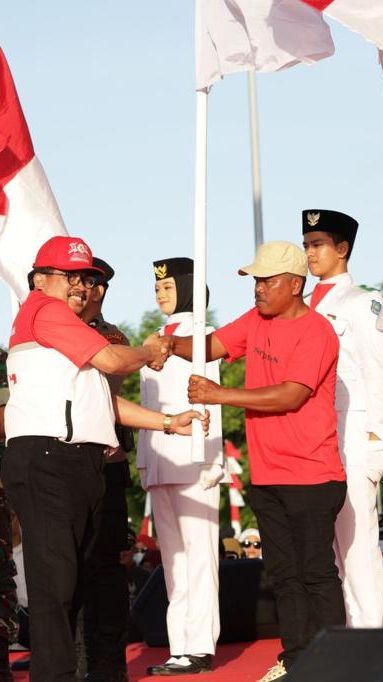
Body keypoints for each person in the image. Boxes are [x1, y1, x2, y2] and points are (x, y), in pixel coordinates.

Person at [1, 235, 209, 682]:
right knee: (56, 583)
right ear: (40, 280)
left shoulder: (76, 335)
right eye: (70, 276)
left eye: (87, 278)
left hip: (78, 461)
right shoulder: (45, 310)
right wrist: (151, 352)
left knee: (76, 582)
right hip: (47, 457)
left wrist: (169, 423)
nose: (80, 285)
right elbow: (116, 362)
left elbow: (106, 405)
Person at [162, 241, 347, 682]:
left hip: (312, 474)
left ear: (295, 284)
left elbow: (290, 393)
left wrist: (218, 394)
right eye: (256, 280)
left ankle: (335, 665)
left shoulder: (317, 331)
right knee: (284, 575)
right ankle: (298, 659)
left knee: (316, 574)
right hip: (267, 474)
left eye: (267, 280)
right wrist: (168, 345)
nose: (258, 288)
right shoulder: (256, 320)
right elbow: (210, 345)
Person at [137, 257, 224, 676]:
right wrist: (142, 460)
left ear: (188, 288)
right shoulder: (153, 340)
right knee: (172, 561)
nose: (160, 294)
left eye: (168, 287)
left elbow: (211, 397)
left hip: (194, 459)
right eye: (157, 288)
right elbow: (147, 405)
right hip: (160, 460)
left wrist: (212, 456)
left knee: (200, 556)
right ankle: (179, 644)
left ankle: (201, 644)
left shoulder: (203, 337)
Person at [302, 209, 383, 627]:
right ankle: (348, 640)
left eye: (317, 245)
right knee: (327, 550)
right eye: (307, 246)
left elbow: (377, 370)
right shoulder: (301, 307)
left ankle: (372, 638)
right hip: (315, 442)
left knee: (358, 545)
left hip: (354, 436)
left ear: (342, 249)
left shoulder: (362, 303)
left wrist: (377, 444)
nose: (310, 254)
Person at [79, 256, 134, 682]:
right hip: (67, 467)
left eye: (99, 284)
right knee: (70, 568)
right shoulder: (53, 332)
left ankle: (109, 667)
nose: (92, 290)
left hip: (108, 464)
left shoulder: (113, 337)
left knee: (107, 568)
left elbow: (109, 395)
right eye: (86, 281)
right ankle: (76, 664)